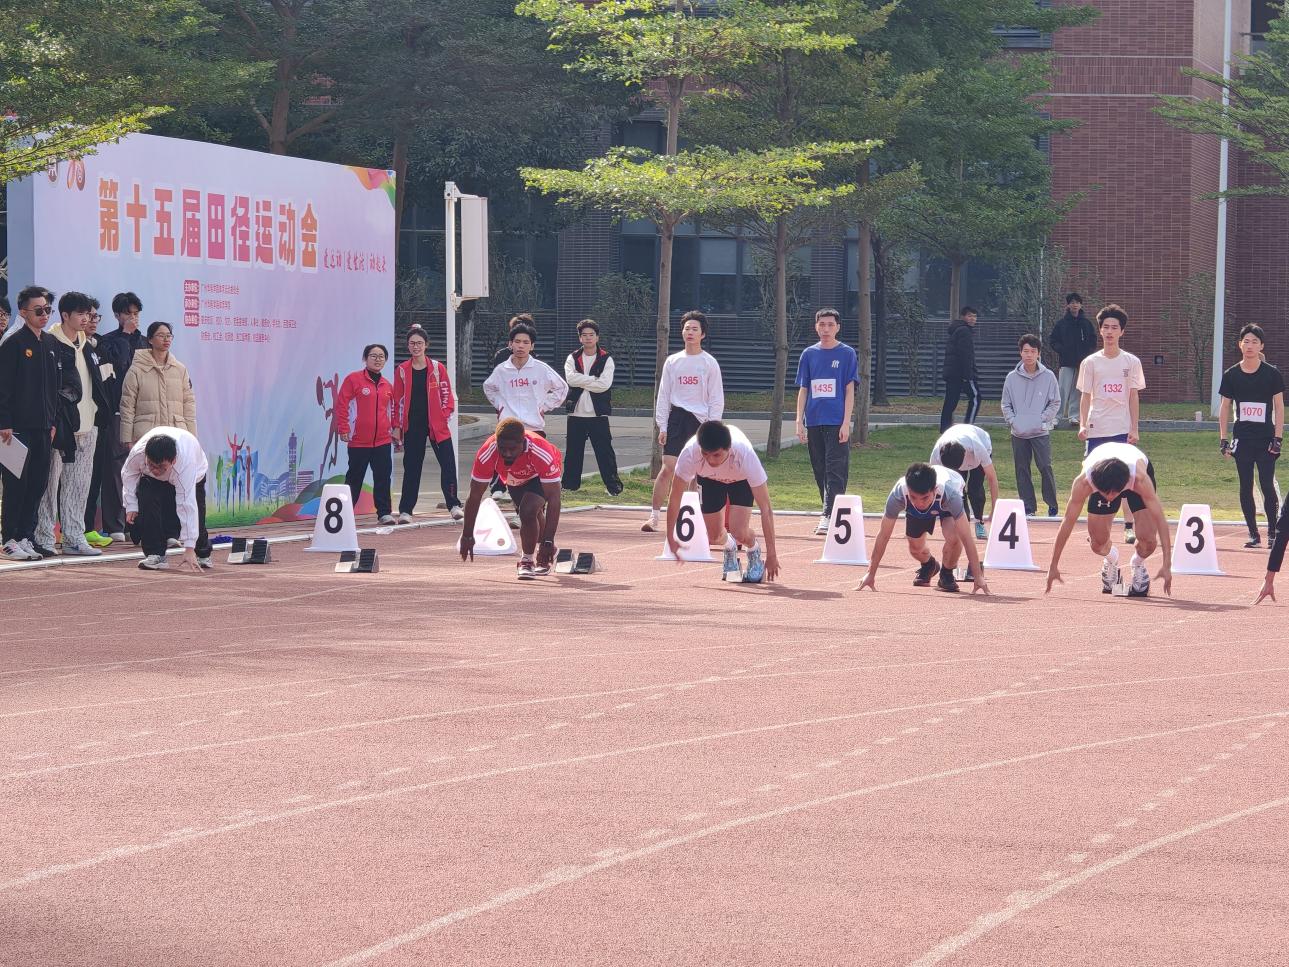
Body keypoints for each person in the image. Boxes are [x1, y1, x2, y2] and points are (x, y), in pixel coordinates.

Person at [35, 291, 111, 558]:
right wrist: (51, 421)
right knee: (48, 485)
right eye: (80, 314)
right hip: (58, 426)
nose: (86, 319)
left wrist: (100, 414)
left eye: (88, 314)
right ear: (65, 315)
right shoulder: (49, 343)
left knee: (78, 485)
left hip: (88, 425)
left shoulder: (88, 345)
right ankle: (44, 537)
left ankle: (74, 537)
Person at [1045, 442, 1171, 597]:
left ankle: (1137, 563)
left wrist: (1166, 564)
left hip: (1130, 473)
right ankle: (1112, 559)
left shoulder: (1140, 479)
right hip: (1106, 474)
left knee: (1149, 540)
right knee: (1097, 543)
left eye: (1115, 493)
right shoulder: (1084, 482)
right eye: (1106, 493)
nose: (1111, 497)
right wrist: (1053, 565)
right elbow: (1068, 521)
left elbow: (1161, 520)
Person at [664, 420, 780, 582]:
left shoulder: (745, 455)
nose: (711, 460)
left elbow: (766, 508)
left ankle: (753, 549)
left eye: (716, 455)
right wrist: (670, 536)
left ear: (728, 448)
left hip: (740, 480)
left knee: (739, 533)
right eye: (705, 454)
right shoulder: (690, 453)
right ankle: (730, 548)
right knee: (713, 536)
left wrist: (772, 554)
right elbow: (675, 498)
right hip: (709, 480)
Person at [644, 310, 724, 532]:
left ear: (702, 334)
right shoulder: (673, 361)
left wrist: (713, 428)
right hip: (677, 419)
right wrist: (662, 425)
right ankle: (654, 517)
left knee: (696, 472)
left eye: (695, 329)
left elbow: (716, 398)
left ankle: (688, 519)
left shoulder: (709, 363)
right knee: (668, 468)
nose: (690, 332)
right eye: (687, 328)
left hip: (701, 422)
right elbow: (664, 394)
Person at [857, 462, 990, 594]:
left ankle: (946, 573)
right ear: (908, 489)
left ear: (935, 489)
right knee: (915, 549)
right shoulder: (898, 494)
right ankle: (929, 565)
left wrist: (978, 577)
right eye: (913, 497)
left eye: (925, 498)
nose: (919, 503)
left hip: (946, 504)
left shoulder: (951, 496)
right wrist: (870, 573)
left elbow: (967, 538)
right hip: (921, 506)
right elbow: (884, 535)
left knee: (955, 538)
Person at [461, 417, 564, 580]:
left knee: (527, 511)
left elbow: (554, 499)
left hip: (539, 473)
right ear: (497, 443)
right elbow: (474, 495)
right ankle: (547, 549)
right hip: (513, 476)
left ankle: (527, 560)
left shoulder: (540, 451)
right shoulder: (488, 452)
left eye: (513, 449)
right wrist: (467, 534)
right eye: (503, 449)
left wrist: (549, 540)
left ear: (523, 442)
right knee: (533, 514)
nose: (507, 454)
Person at [1076, 304, 1145, 544]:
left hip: (1122, 429)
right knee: (1093, 478)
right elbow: (1085, 396)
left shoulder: (1131, 362)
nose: (1109, 332)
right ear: (1100, 330)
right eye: (1106, 327)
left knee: (1125, 478)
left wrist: (1134, 428)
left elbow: (1133, 396)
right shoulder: (1090, 363)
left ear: (1121, 331)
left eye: (1114, 327)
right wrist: (1082, 425)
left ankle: (1128, 526)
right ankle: (1095, 528)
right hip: (1097, 429)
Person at [0, 286, 60, 561]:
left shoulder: (50, 344)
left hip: (43, 428)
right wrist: (4, 421)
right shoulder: (13, 344)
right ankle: (9, 539)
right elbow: (3, 387)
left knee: (37, 484)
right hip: (15, 430)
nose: (44, 314)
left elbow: (54, 387)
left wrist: (52, 421)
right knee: (16, 485)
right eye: (38, 310)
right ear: (23, 313)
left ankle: (26, 535)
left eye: (47, 309)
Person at [1218, 323, 1284, 547]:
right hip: (1243, 439)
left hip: (1266, 439)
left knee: (1267, 484)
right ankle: (1253, 534)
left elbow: (1279, 407)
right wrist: (1223, 439)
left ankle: (1273, 532)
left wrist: (1278, 438)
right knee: (1245, 486)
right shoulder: (1231, 375)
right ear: (1240, 345)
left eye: (1254, 342)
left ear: (1261, 346)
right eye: (1246, 341)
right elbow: (1225, 407)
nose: (1250, 345)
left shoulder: (1272, 374)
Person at [795, 307, 858, 535]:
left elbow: (849, 390)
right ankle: (831, 511)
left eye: (831, 325)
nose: (826, 329)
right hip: (814, 420)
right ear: (816, 327)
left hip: (836, 420)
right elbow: (803, 389)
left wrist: (846, 422)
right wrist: (799, 421)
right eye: (822, 324)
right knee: (820, 468)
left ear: (838, 327)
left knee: (835, 468)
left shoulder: (847, 353)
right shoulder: (808, 354)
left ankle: (829, 515)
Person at [92, 291, 148, 542]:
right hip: (117, 411)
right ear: (117, 315)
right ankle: (115, 524)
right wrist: (125, 336)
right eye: (128, 313)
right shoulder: (107, 342)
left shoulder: (147, 342)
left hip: (144, 413)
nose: (133, 317)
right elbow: (119, 368)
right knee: (116, 467)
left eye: (136, 313)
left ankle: (140, 523)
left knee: (145, 466)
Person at [391, 324, 461, 523]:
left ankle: (454, 505)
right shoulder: (402, 370)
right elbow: (397, 400)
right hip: (413, 426)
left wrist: (444, 415)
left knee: (448, 464)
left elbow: (447, 394)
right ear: (408, 346)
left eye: (419, 343)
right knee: (412, 467)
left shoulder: (437, 368)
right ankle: (406, 510)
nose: (416, 347)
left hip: (437, 426)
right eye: (412, 343)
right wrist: (397, 426)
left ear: (426, 345)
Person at [123, 426, 211, 572]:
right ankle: (155, 554)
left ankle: (202, 553)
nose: (156, 470)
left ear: (173, 460)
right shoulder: (138, 453)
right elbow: (128, 474)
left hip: (195, 475)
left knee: (197, 516)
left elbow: (187, 506)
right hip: (151, 479)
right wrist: (131, 505)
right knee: (147, 503)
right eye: (151, 465)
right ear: (146, 456)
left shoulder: (186, 465)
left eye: (161, 467)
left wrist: (189, 549)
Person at [1001, 333, 1061, 517]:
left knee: (1045, 466)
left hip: (1040, 431)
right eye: (1025, 351)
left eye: (1033, 351)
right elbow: (1005, 404)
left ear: (1038, 353)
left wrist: (1042, 419)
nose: (1029, 355)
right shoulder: (1011, 377)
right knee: (1022, 470)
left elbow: (1055, 402)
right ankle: (1028, 507)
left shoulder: (1048, 376)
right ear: (1020, 353)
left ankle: (1052, 505)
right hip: (1018, 433)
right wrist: (1013, 421)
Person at [562, 319, 623, 495]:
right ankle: (570, 485)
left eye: (591, 335)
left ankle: (613, 487)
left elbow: (604, 385)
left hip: (598, 415)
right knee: (573, 453)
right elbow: (570, 379)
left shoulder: (606, 358)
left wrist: (582, 380)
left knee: (605, 453)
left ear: (597, 337)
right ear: (580, 338)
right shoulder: (572, 357)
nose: (588, 338)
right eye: (584, 335)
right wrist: (593, 380)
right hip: (576, 414)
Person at [336, 343, 395, 525]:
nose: (377, 359)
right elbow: (342, 404)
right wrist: (344, 428)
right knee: (354, 478)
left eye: (381, 356)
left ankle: (384, 513)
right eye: (373, 356)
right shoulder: (353, 380)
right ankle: (344, 515)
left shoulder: (387, 385)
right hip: (358, 441)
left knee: (383, 477)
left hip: (382, 441)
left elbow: (392, 411)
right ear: (365, 358)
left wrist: (395, 431)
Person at [483, 317, 567, 436]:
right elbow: (488, 387)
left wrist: (543, 406)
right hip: (507, 427)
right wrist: (501, 405)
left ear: (532, 346)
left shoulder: (541, 368)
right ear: (510, 344)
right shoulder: (501, 370)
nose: (521, 346)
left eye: (526, 342)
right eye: (517, 342)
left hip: (534, 428)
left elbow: (562, 388)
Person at [119, 321, 198, 446]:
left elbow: (189, 404)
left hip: (176, 435)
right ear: (150, 340)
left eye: (169, 335)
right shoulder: (137, 370)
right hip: (146, 435)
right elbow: (127, 405)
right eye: (161, 335)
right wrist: (127, 438)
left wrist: (192, 437)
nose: (166, 339)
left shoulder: (180, 369)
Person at [929, 424, 999, 541]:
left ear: (965, 454)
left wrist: (994, 509)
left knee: (975, 488)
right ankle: (964, 521)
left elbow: (992, 478)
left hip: (979, 452)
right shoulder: (937, 453)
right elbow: (932, 482)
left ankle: (979, 521)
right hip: (956, 451)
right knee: (958, 489)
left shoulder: (978, 447)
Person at [1049, 293, 1096, 426]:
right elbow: (1053, 340)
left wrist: (1087, 354)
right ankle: (1056, 416)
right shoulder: (1062, 324)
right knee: (1062, 389)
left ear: (1081, 305)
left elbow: (1093, 340)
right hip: (1066, 362)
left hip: (1082, 363)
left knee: (1078, 390)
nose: (1075, 305)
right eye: (1072, 302)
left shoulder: (1086, 324)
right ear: (1068, 305)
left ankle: (1074, 416)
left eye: (1077, 302)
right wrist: (1062, 350)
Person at [940, 306, 980, 431]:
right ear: (963, 317)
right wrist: (968, 375)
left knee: (950, 401)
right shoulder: (964, 331)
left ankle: (944, 429)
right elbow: (965, 355)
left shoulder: (956, 330)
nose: (973, 319)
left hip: (952, 372)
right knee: (976, 397)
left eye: (975, 316)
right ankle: (968, 427)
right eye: (970, 316)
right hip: (961, 373)